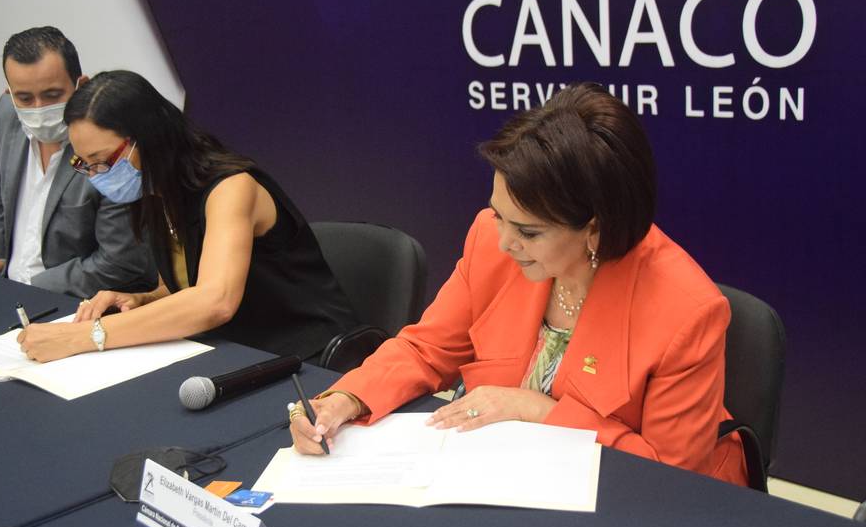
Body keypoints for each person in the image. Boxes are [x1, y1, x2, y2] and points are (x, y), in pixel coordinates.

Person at [289, 83, 748, 486]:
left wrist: (539, 411)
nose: (505, 242)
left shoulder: (686, 311)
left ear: (594, 229)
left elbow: (669, 476)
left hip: (628, 503)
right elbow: (426, 350)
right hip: (511, 478)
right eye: (498, 214)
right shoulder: (491, 241)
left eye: (528, 231)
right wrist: (346, 399)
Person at [16, 70, 358, 363]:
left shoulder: (231, 188)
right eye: (84, 164)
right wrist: (142, 299)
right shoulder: (154, 191)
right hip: (237, 351)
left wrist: (83, 337)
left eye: (103, 161)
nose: (96, 175)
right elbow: (186, 284)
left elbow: (215, 301)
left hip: (309, 358)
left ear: (147, 139)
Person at [0, 26, 155, 297]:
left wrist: (32, 287)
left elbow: (121, 261)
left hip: (76, 301)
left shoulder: (107, 145)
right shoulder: (6, 113)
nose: (38, 109)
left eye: (52, 95)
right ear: (9, 93)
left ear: (81, 86)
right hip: (6, 289)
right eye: (24, 98)